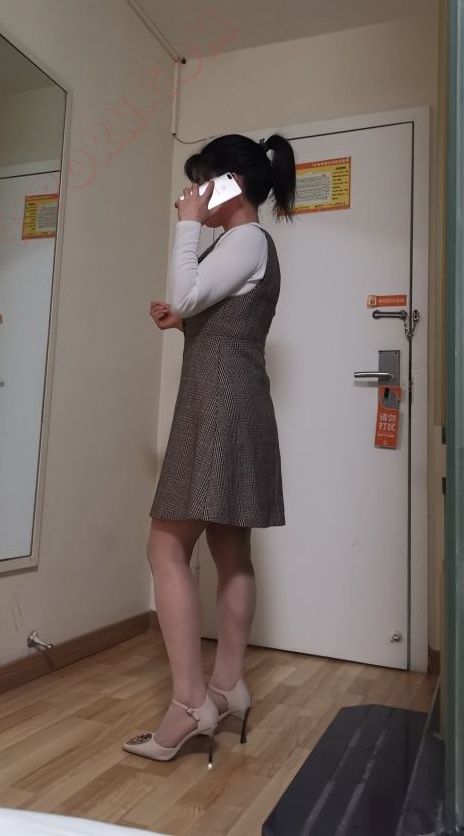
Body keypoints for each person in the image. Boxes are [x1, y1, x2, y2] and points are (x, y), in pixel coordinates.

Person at [123, 133, 296, 765]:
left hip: (217, 405)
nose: (191, 192)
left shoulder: (243, 238)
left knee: (165, 545)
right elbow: (210, 312)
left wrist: (188, 224)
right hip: (238, 399)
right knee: (229, 548)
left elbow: (189, 291)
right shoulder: (249, 246)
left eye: (203, 180)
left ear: (231, 183)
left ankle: (189, 704)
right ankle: (226, 688)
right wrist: (184, 321)